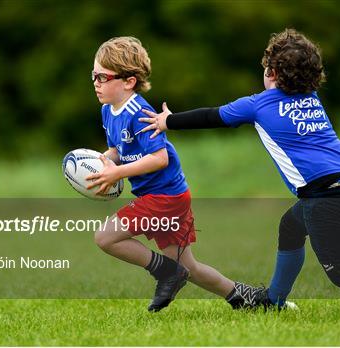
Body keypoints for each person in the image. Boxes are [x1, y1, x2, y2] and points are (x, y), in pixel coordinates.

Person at [139, 29, 340, 312]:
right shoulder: (312, 98)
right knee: (291, 226)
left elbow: (211, 116)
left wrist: (169, 121)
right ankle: (274, 299)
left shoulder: (258, 104)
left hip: (326, 194)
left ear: (271, 72)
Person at [86, 36, 262, 312]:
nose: (95, 82)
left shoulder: (139, 111)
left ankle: (166, 273)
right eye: (93, 75)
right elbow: (117, 149)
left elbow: (159, 158)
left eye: (101, 77)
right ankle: (246, 297)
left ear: (128, 81)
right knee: (187, 266)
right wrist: (99, 163)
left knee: (105, 237)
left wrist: (118, 172)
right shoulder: (108, 111)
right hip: (169, 195)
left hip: (164, 197)